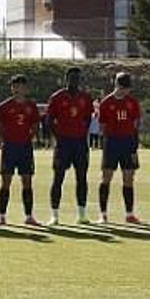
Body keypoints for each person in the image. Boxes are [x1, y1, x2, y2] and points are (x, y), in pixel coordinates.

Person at [47, 66, 95, 224]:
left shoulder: (86, 98)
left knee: (81, 177)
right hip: (63, 143)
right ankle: (54, 215)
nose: (74, 81)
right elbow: (49, 120)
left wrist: (81, 132)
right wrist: (58, 136)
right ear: (66, 79)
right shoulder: (57, 97)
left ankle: (81, 214)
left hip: (80, 144)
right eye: (72, 77)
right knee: (58, 177)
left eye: (77, 78)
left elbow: (88, 118)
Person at [0, 75, 41, 226]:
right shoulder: (4, 106)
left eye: (19, 86)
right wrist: (4, 141)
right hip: (9, 148)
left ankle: (29, 216)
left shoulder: (31, 106)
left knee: (27, 181)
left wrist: (29, 137)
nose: (16, 89)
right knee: (6, 181)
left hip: (25, 147)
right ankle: (1, 217)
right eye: (14, 86)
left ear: (25, 88)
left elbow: (35, 125)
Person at [96, 71, 142, 224]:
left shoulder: (132, 102)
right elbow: (102, 126)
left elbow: (135, 123)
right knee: (106, 177)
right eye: (122, 87)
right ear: (116, 85)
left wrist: (134, 145)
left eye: (127, 88)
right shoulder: (106, 103)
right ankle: (103, 214)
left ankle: (129, 214)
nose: (125, 91)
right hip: (112, 143)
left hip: (128, 143)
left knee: (129, 178)